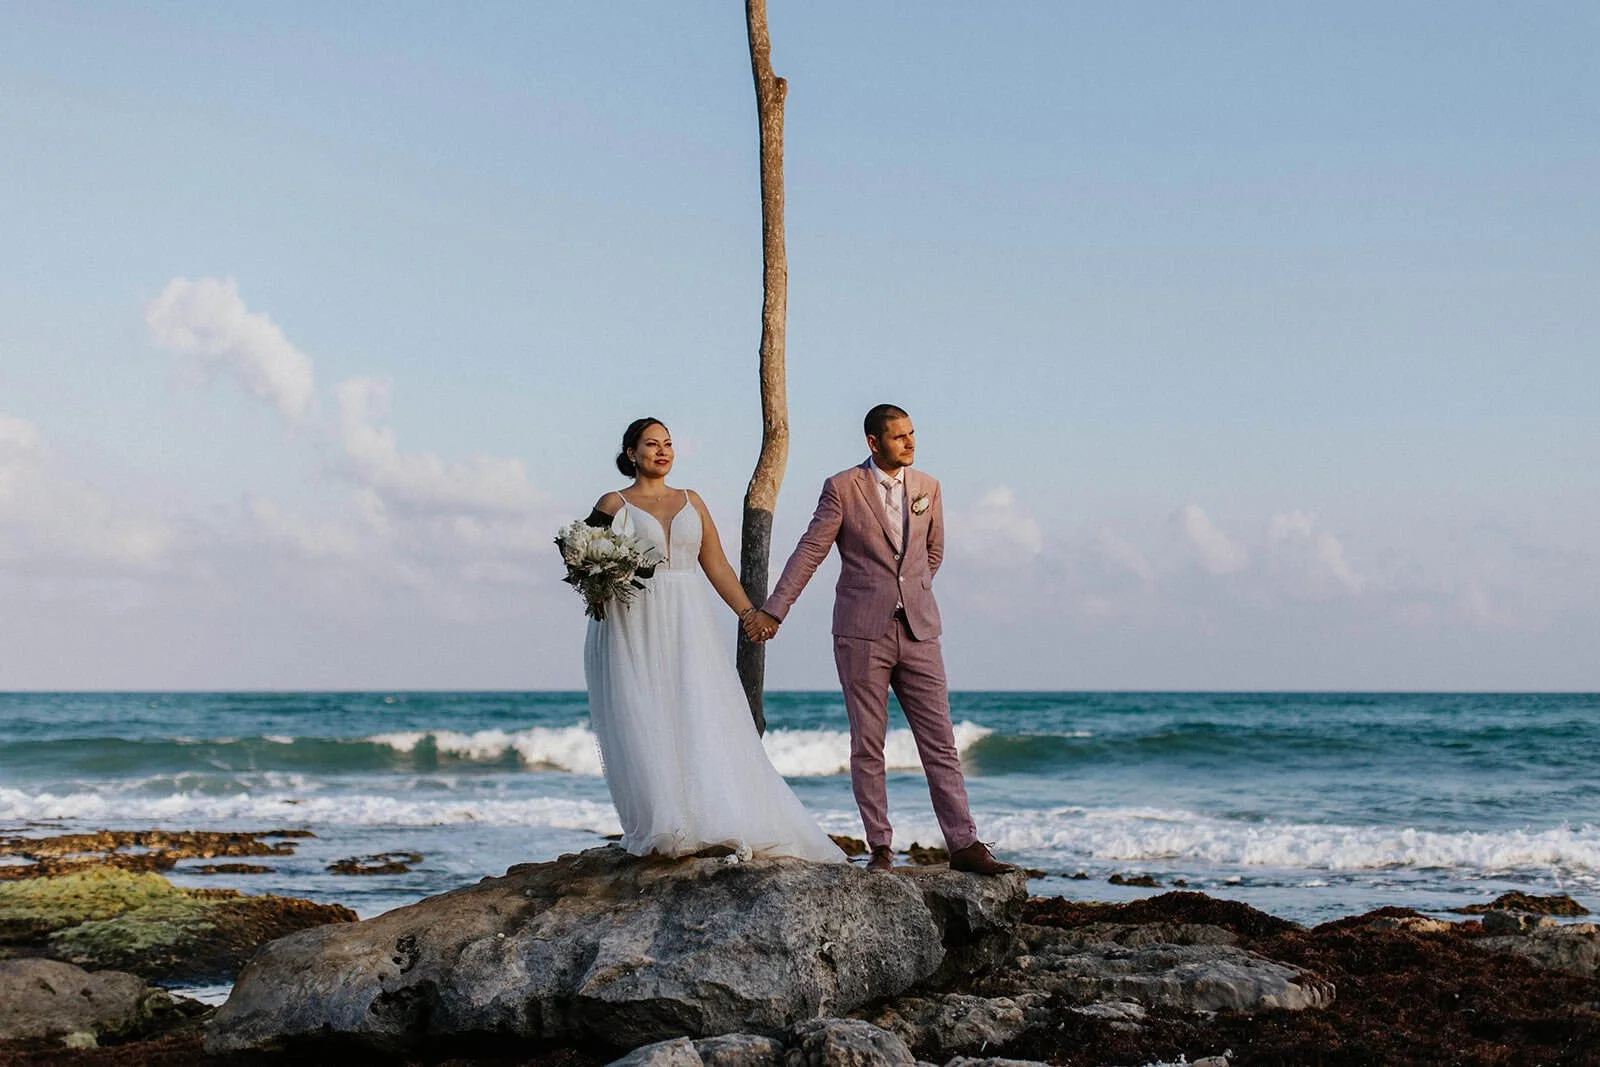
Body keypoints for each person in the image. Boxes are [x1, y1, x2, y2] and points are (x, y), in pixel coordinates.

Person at [744, 405, 1016, 875]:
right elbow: (811, 549)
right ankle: (881, 847)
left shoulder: (929, 488)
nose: (910, 443)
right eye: (899, 437)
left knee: (941, 742)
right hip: (860, 632)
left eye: (912, 434)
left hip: (919, 630)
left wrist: (908, 595)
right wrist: (775, 609)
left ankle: (964, 843)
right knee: (868, 743)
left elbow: (933, 552)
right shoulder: (842, 488)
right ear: (874, 442)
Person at [582, 417, 844, 863]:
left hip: (688, 619)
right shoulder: (613, 502)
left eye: (668, 444)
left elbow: (717, 564)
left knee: (697, 706)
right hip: (632, 620)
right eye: (651, 444)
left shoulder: (692, 501)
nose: (662, 451)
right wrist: (600, 587)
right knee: (644, 712)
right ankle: (662, 822)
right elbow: (583, 559)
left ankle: (707, 815)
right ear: (631, 454)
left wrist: (749, 614)